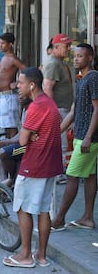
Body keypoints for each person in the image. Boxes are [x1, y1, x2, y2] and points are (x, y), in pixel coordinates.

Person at [3, 67, 62, 268]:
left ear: (32, 85)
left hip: (34, 165)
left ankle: (25, 255)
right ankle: (41, 255)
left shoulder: (36, 106)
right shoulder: (50, 104)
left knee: (22, 208)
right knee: (43, 210)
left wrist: (28, 138)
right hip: (50, 165)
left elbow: (22, 140)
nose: (17, 86)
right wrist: (30, 137)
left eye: (20, 83)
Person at [51, 43, 98, 230]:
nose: (76, 59)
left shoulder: (93, 78)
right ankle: (87, 217)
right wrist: (56, 133)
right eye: (75, 56)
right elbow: (73, 111)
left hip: (88, 139)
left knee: (71, 175)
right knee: (90, 176)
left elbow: (97, 109)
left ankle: (59, 218)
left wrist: (88, 136)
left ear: (90, 58)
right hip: (81, 135)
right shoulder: (81, 79)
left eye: (80, 56)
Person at [42, 33, 74, 182]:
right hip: (59, 109)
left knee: (64, 142)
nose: (69, 48)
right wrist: (53, 112)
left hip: (64, 109)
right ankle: (58, 173)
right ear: (56, 47)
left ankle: (60, 171)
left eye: (69, 45)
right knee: (60, 142)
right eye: (66, 46)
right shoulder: (53, 63)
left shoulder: (59, 62)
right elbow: (48, 88)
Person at [0, 96, 31, 187]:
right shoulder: (24, 110)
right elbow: (21, 131)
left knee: (4, 152)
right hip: (21, 142)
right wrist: (8, 141)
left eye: (23, 96)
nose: (19, 97)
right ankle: (4, 180)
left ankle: (12, 179)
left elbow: (25, 136)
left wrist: (8, 142)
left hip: (28, 146)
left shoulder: (31, 111)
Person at [0, 32, 26, 139]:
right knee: (5, 127)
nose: (0, 45)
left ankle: (13, 150)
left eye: (3, 43)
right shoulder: (3, 58)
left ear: (10, 44)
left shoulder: (13, 59)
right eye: (0, 43)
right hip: (1, 96)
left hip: (9, 97)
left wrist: (18, 83)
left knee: (11, 126)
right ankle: (7, 148)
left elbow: (27, 71)